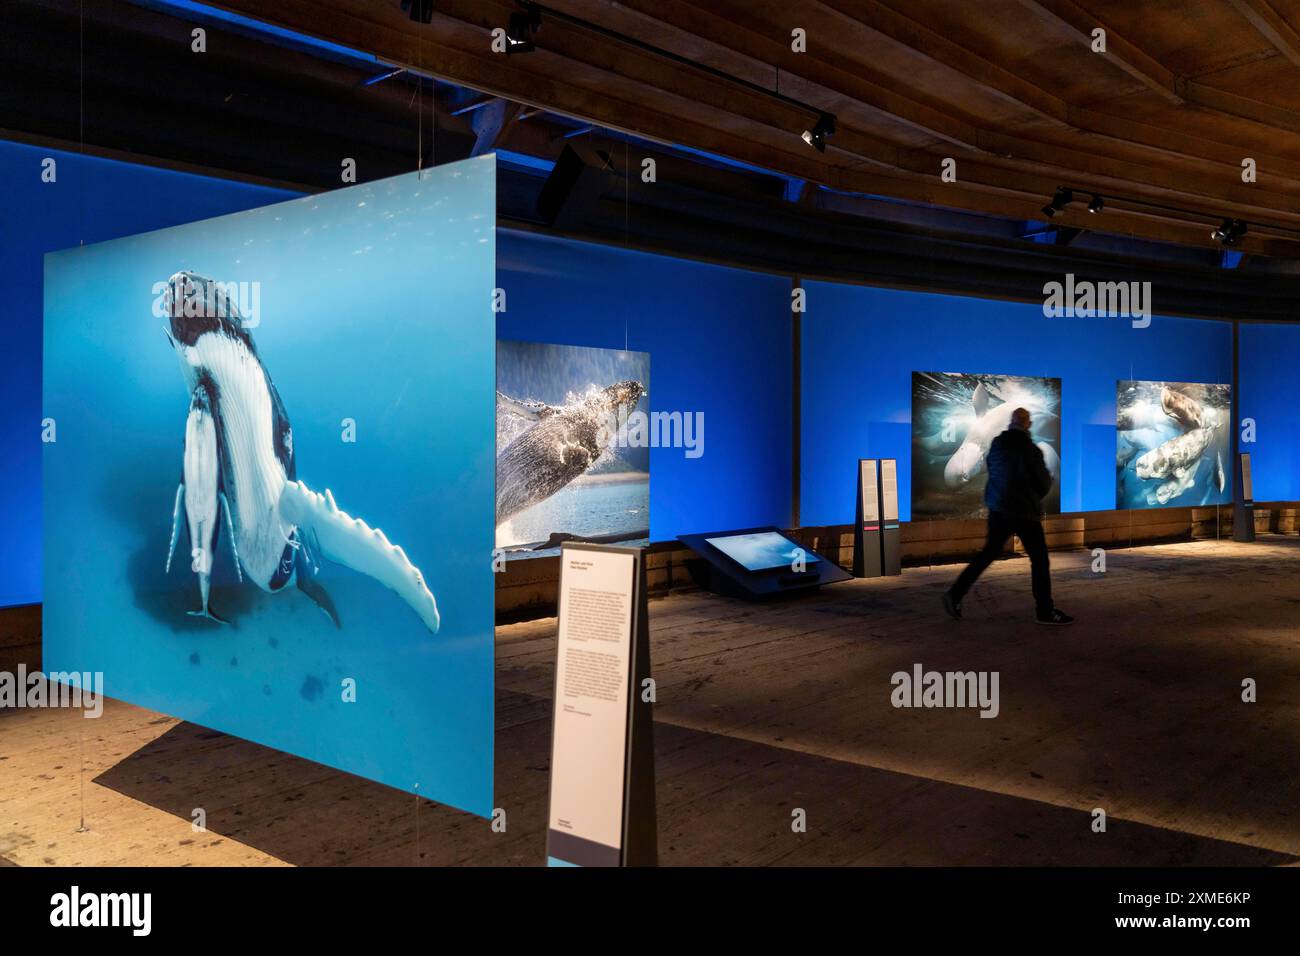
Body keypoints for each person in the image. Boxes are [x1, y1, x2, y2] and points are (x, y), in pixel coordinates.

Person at [942, 406, 1073, 625]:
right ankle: (1045, 611)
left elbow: (992, 471)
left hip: (999, 510)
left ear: (1010, 423)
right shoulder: (1031, 450)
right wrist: (1036, 494)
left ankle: (954, 594)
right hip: (1024, 513)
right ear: (1027, 424)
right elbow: (1042, 482)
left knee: (987, 554)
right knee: (1039, 561)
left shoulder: (995, 445)